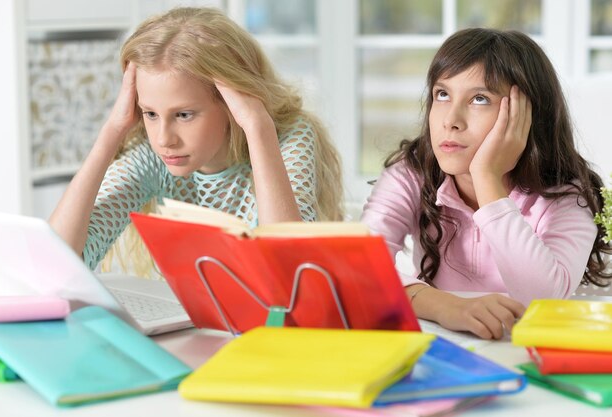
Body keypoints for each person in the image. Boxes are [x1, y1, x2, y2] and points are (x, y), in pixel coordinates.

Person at [49, 7, 343, 276]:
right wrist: (112, 131)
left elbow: (289, 273)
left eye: (184, 115)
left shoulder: (288, 139)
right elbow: (58, 263)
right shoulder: (153, 158)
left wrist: (258, 126)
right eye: (149, 113)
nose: (164, 139)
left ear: (232, 102)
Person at [361, 28, 612, 340]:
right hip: (439, 344)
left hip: (525, 352)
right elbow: (361, 272)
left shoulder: (567, 195)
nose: (450, 120)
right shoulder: (411, 173)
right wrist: (443, 306)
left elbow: (543, 301)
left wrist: (487, 179)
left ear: (527, 115)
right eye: (442, 94)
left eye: (479, 99)